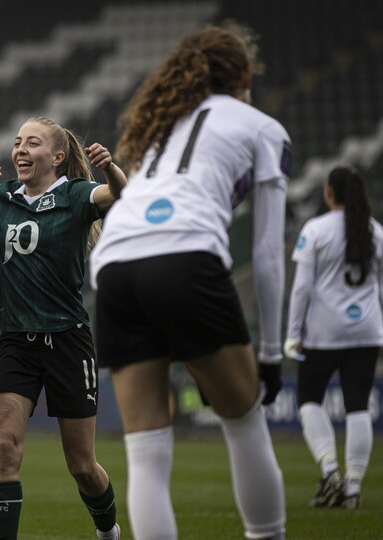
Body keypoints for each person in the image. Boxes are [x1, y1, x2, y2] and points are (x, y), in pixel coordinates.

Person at [89, 23, 289, 540]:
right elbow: (267, 252)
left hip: (113, 263)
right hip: (185, 258)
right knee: (244, 425)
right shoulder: (262, 127)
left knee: (146, 452)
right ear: (245, 74)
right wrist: (270, 351)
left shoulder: (159, 125)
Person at [0, 117, 125, 540]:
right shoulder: (0, 197)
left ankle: (108, 531)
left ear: (57, 156)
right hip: (16, 342)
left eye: (32, 143)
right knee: (4, 449)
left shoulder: (74, 193)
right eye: (16, 142)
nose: (20, 149)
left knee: (82, 466)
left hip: (69, 340)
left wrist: (111, 167)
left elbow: (120, 194)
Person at [285, 165, 382, 510]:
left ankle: (330, 471)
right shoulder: (376, 232)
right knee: (359, 406)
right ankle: (353, 488)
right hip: (367, 332)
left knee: (310, 401)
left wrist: (293, 333)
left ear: (328, 192)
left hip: (325, 333)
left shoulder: (316, 229)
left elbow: (302, 287)